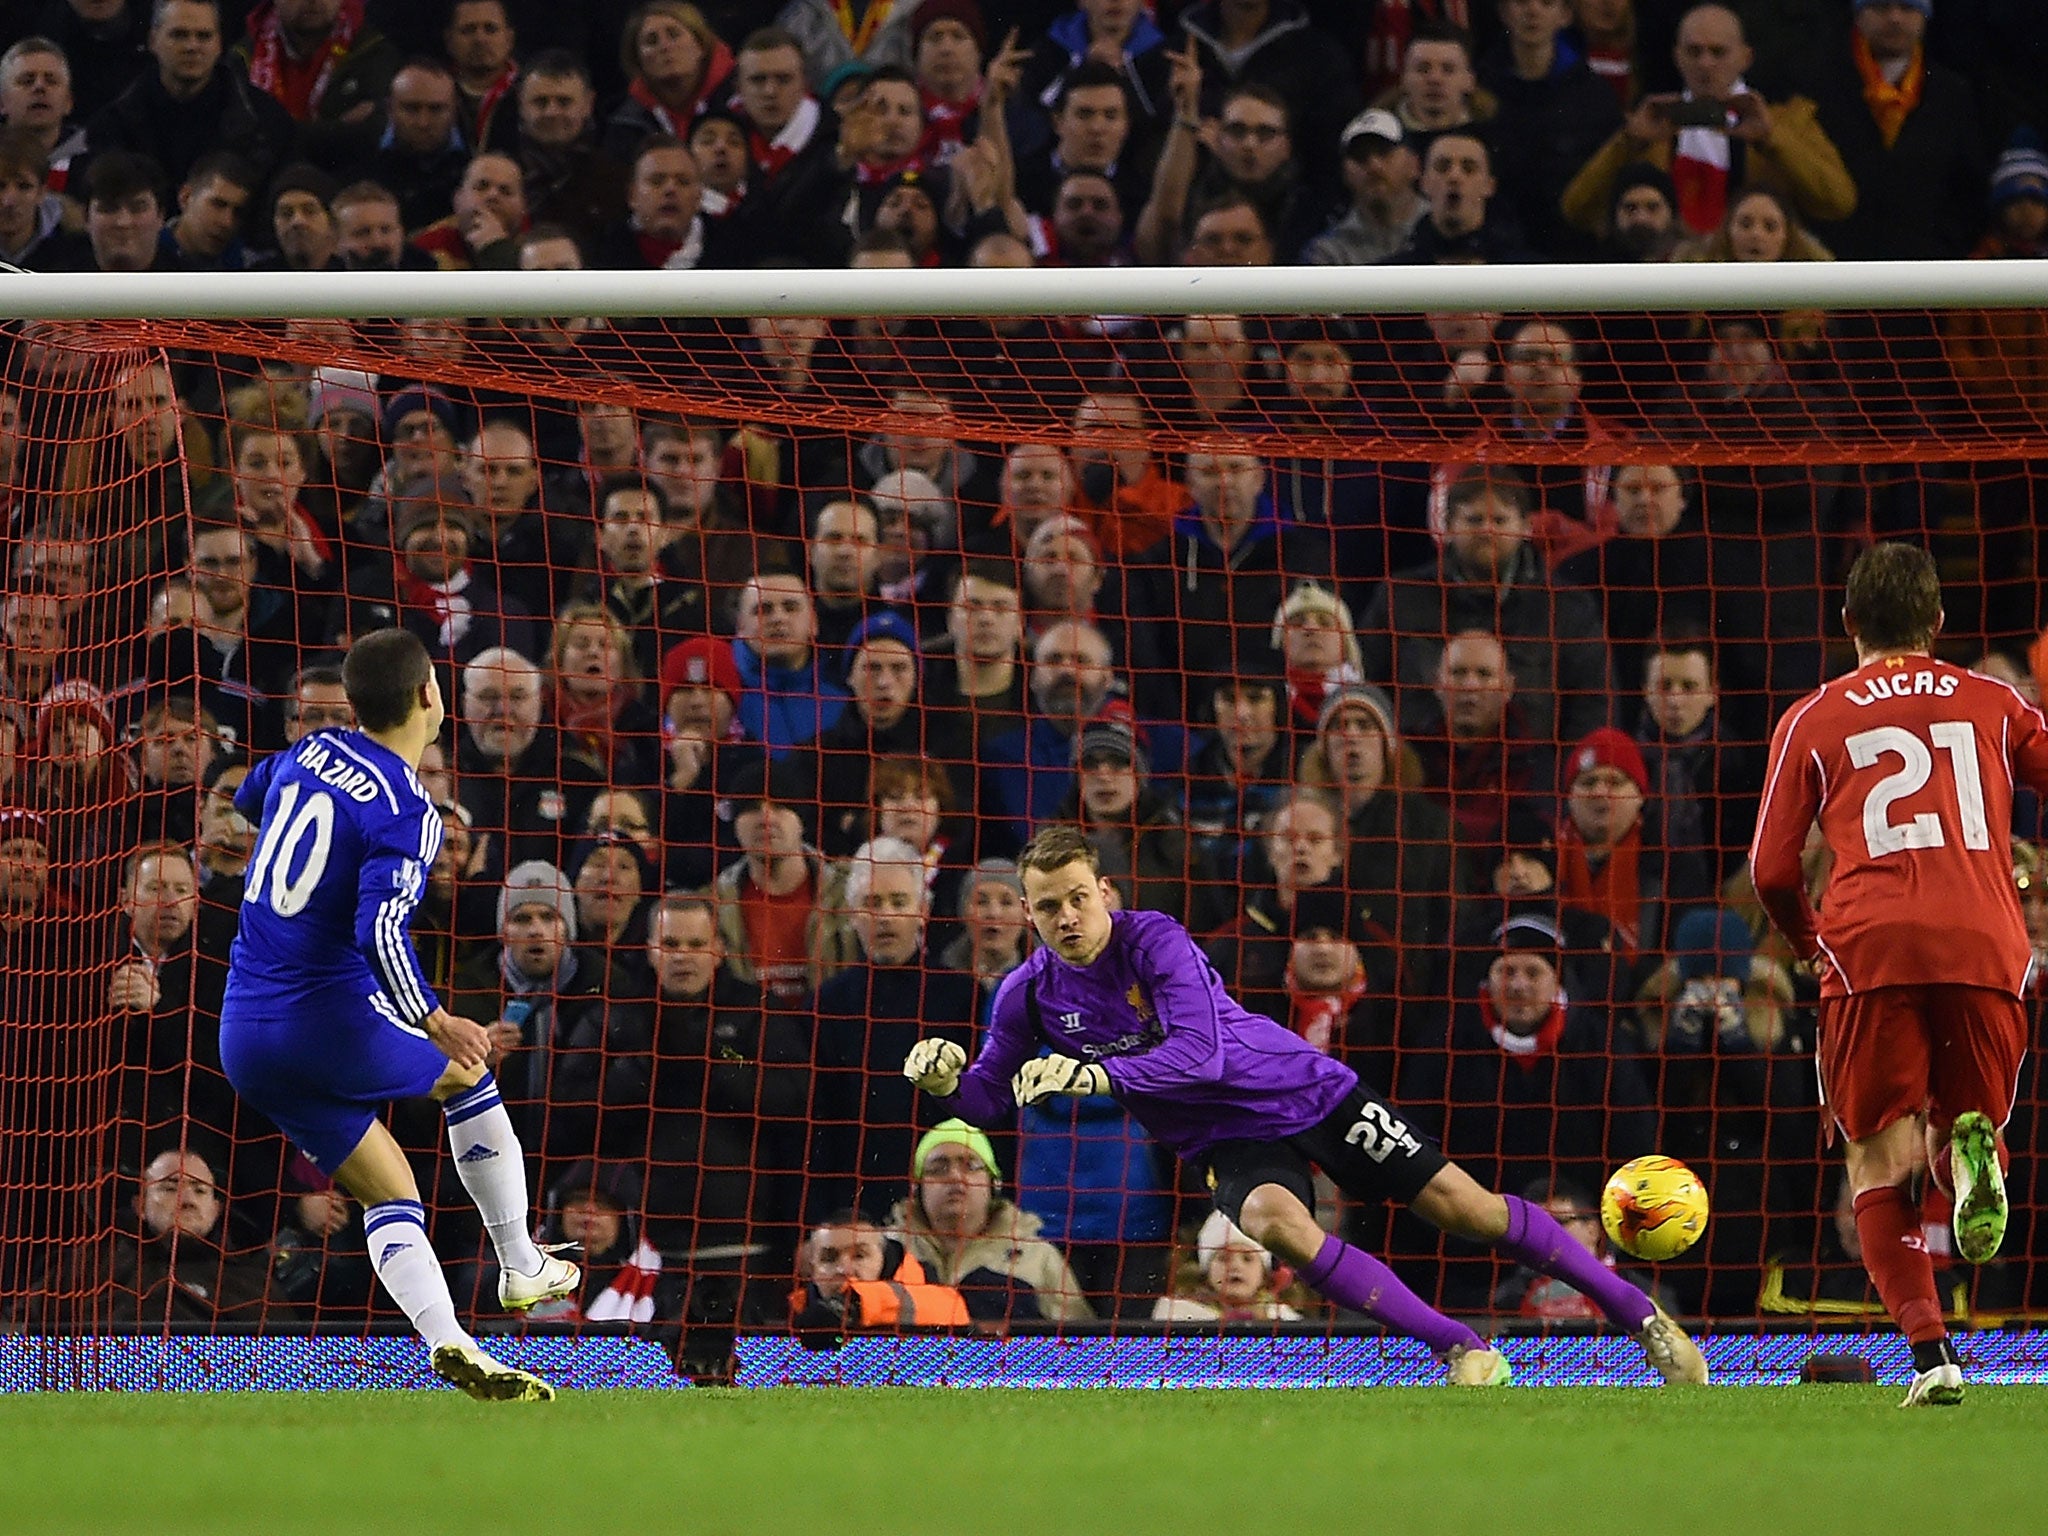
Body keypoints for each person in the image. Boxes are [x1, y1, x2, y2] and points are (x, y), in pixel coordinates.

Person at [903, 825, 1707, 1385]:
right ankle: (1460, 1347)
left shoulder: (1157, 941)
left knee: (1468, 1210)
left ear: (1105, 890)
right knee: (1278, 1222)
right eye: (1046, 907)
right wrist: (948, 1082)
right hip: (1223, 1136)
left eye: (1077, 897)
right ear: (1028, 913)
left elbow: (1200, 1054)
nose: (1066, 918)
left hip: (1306, 1089)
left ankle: (1642, 1317)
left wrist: (1099, 1078)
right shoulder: (1026, 994)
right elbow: (988, 1097)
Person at [218, 627, 575, 1400]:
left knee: (391, 1191)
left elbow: (249, 794)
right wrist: (436, 1015)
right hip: (320, 1014)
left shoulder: (310, 753)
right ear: (429, 697)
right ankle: (520, 1263)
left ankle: (453, 1343)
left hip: (242, 1030)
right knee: (467, 1072)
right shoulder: (408, 807)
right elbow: (377, 928)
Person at [1750, 542, 2048, 1406]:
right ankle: (1972, 1156)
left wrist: (1811, 943)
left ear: (1848, 624)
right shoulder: (1993, 701)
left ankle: (1932, 1358)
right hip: (1987, 943)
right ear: (1939, 624)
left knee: (1876, 1163)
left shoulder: (1813, 718)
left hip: (1870, 950)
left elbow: (1771, 871)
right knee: (1966, 1119)